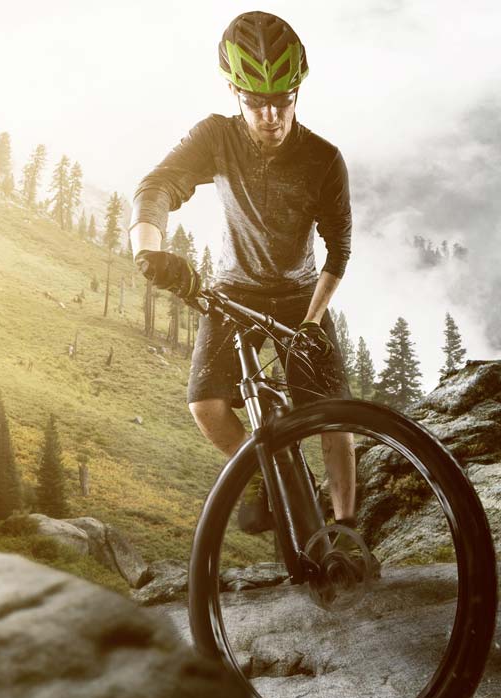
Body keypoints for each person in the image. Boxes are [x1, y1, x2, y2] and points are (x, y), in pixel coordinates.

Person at [130, 11, 357, 542]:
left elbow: (339, 250)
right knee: (206, 405)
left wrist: (312, 320)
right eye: (256, 103)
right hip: (232, 291)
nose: (271, 115)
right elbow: (158, 184)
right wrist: (149, 250)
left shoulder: (324, 158)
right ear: (235, 92)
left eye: (283, 101)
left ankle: (348, 529)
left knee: (334, 417)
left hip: (302, 295)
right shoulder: (216, 136)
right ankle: (264, 473)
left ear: (299, 92)